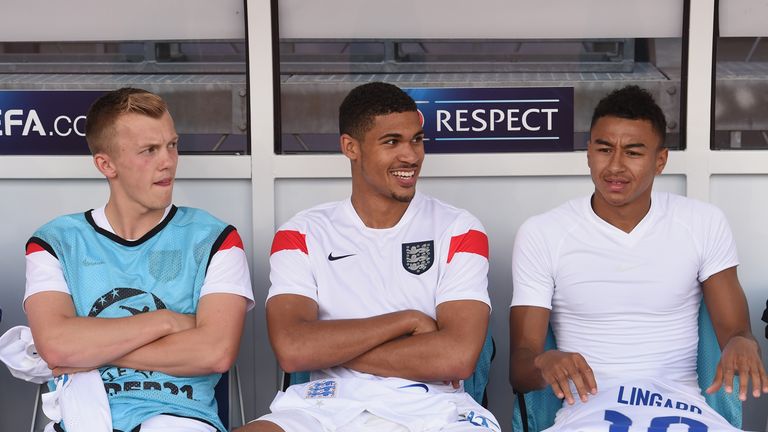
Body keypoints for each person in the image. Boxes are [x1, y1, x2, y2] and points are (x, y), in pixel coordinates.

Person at [238, 82, 499, 432]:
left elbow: (456, 357)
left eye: (417, 140)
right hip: (323, 403)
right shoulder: (301, 233)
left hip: (431, 405)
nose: (411, 156)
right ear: (351, 147)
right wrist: (405, 321)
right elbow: (292, 349)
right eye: (392, 142)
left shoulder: (459, 229)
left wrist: (332, 349)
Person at [509, 85, 768, 431]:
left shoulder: (701, 222)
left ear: (660, 161)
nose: (615, 166)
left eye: (633, 152)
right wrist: (546, 363)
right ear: (588, 153)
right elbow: (520, 367)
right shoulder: (543, 232)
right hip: (586, 412)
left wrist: (742, 344)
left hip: (683, 407)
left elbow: (736, 332)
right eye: (604, 149)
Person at [24, 88, 254, 432]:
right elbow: (56, 347)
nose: (168, 162)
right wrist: (167, 322)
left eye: (172, 145)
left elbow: (215, 352)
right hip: (85, 418)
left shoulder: (214, 238)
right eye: (149, 150)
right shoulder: (56, 241)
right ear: (106, 164)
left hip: (180, 420)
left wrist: (90, 349)